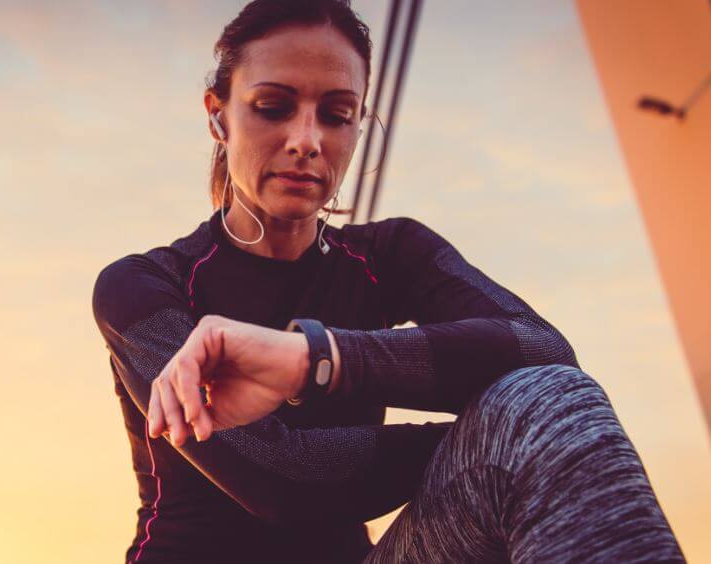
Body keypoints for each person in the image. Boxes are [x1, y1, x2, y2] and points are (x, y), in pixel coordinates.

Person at [91, 1, 686, 562]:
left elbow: (544, 351)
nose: (307, 140)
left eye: (336, 114)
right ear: (218, 116)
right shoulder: (143, 288)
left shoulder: (392, 254)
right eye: (273, 106)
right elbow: (284, 482)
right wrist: (491, 441)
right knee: (528, 420)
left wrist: (316, 359)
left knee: (549, 400)